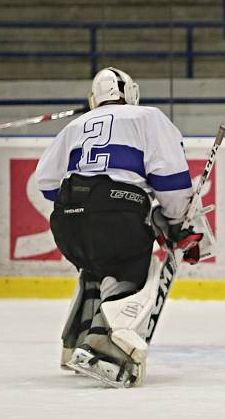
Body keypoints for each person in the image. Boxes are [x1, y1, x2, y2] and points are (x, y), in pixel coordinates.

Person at [35, 67, 211, 388]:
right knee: (131, 263)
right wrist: (175, 222)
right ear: (131, 93)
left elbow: (45, 183)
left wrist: (83, 203)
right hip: (116, 213)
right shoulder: (148, 117)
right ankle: (105, 344)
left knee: (97, 266)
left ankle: (76, 338)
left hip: (66, 221)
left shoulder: (74, 126)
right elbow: (171, 182)